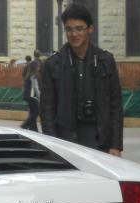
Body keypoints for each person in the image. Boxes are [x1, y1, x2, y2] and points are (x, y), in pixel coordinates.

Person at [40, 3, 123, 156]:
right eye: (69, 29)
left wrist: (116, 146)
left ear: (90, 29)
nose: (74, 34)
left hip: (100, 140)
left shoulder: (106, 61)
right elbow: (47, 112)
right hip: (65, 142)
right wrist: (52, 147)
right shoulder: (52, 65)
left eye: (79, 28)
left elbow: (115, 106)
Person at [21, 60, 40, 131]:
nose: (39, 68)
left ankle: (34, 129)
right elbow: (36, 88)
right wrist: (39, 97)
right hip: (32, 96)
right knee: (36, 112)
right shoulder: (33, 76)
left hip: (27, 96)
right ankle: (24, 125)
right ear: (36, 67)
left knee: (32, 112)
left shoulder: (28, 75)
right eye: (38, 66)